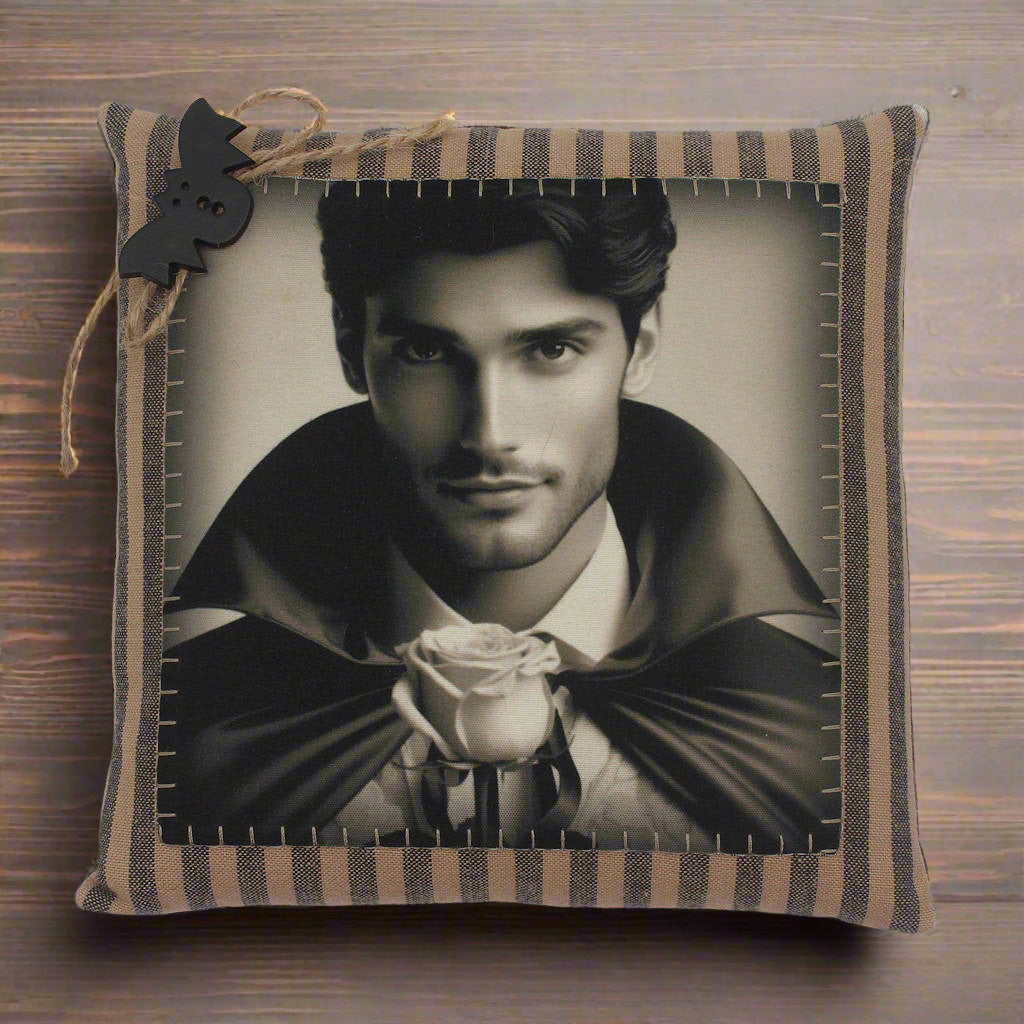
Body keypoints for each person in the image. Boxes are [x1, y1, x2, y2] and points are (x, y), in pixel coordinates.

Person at [159, 178, 841, 854]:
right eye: (426, 352)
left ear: (642, 348)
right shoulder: (191, 728)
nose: (488, 434)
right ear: (349, 349)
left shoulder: (818, 731)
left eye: (550, 350)